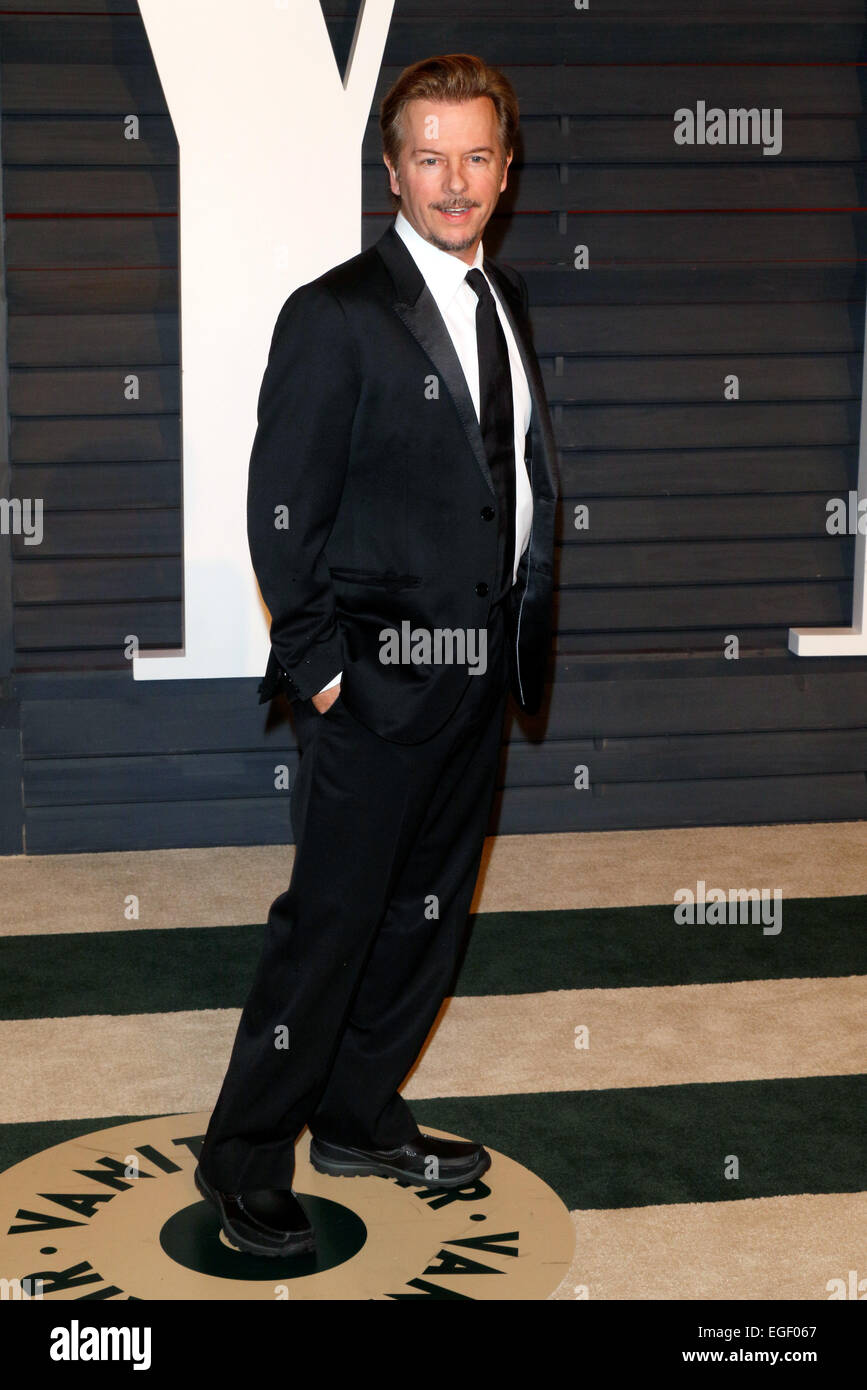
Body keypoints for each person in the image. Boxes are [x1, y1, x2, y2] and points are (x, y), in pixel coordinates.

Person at [195, 52, 558, 1258]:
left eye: (475, 156)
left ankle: (355, 1115)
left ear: (505, 171)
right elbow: (278, 508)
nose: (453, 181)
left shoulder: (501, 303)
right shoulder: (336, 313)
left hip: (475, 678)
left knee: (429, 921)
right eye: (428, 156)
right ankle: (247, 1152)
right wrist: (323, 665)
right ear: (390, 168)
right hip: (375, 683)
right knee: (334, 926)